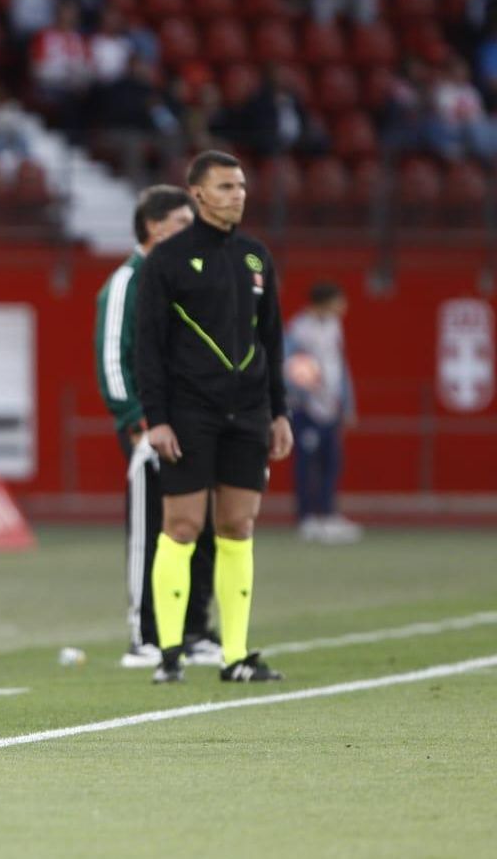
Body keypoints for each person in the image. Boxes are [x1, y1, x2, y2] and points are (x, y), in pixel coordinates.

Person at [133, 150, 294, 684]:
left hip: (248, 413)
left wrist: (279, 412)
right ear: (198, 195)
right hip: (188, 412)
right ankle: (170, 653)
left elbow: (271, 340)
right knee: (181, 526)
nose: (238, 195)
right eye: (226, 187)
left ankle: (236, 655)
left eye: (242, 186)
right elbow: (148, 347)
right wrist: (156, 418)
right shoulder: (168, 260)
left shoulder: (255, 258)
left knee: (238, 525)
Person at [94, 185, 221, 670]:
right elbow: (112, 355)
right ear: (153, 227)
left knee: (200, 526)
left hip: (196, 422)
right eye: (183, 225)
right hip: (151, 427)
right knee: (151, 529)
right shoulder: (129, 281)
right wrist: (132, 421)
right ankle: (145, 634)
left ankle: (192, 629)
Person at [285, 281, 360, 544]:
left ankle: (328, 515)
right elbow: (288, 366)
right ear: (324, 301)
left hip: (331, 407)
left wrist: (348, 403)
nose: (343, 307)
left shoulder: (334, 327)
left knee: (331, 463)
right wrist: (304, 394)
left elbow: (340, 366)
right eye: (339, 300)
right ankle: (307, 518)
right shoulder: (299, 329)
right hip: (307, 409)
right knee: (307, 464)